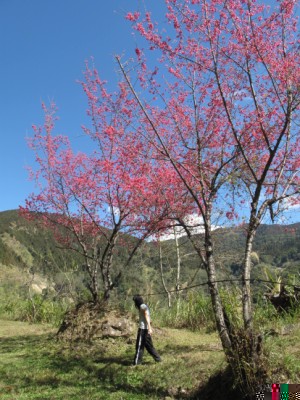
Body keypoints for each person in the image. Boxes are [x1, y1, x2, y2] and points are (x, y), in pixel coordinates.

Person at [132, 295, 162, 365]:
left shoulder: (142, 306)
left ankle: (136, 363)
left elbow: (146, 316)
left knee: (139, 346)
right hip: (146, 330)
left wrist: (149, 327)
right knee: (149, 346)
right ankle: (158, 359)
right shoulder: (143, 306)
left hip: (143, 330)